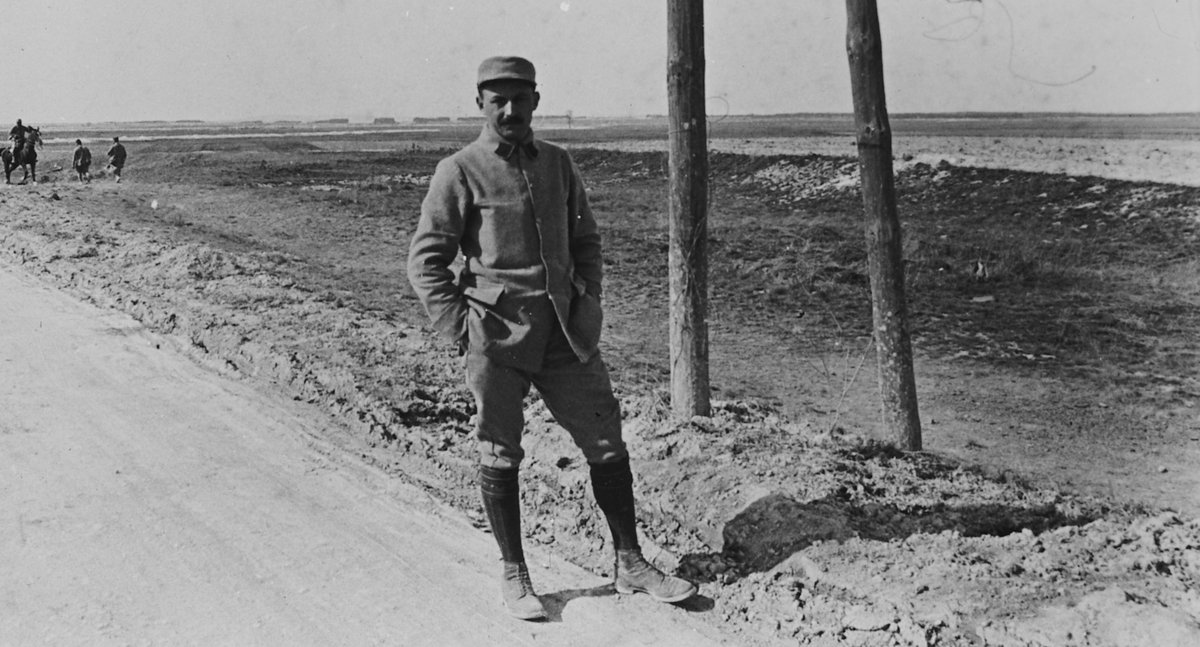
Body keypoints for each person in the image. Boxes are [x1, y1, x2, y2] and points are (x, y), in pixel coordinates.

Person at [407, 56, 697, 621]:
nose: (510, 110)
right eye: (498, 100)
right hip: (497, 337)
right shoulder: (459, 170)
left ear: (536, 101)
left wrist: (588, 302)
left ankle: (631, 563)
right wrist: (461, 330)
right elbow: (425, 263)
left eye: (520, 99)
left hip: (565, 334)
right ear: (481, 105)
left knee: (606, 440)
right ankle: (515, 573)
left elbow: (587, 241)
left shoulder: (559, 165)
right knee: (500, 449)